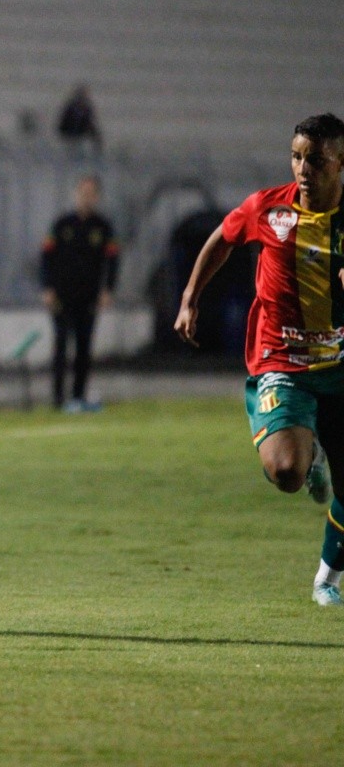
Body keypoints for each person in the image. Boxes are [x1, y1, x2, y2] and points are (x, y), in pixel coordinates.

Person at [174, 112, 344, 607]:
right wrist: (190, 298)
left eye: (315, 159)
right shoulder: (268, 210)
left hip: (338, 363)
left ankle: (326, 580)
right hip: (282, 360)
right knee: (286, 471)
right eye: (296, 157)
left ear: (340, 164)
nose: (303, 168)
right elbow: (222, 239)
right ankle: (308, 456)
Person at [40, 174, 119, 412]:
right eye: (83, 192)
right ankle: (57, 399)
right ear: (76, 194)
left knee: (84, 348)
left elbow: (113, 260)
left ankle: (78, 396)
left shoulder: (102, 227)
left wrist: (108, 290)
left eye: (91, 193)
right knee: (61, 345)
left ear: (97, 197)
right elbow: (46, 258)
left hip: (89, 296)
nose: (86, 197)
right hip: (62, 296)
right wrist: (47, 288)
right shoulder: (62, 224)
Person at [57, 84, 102, 156]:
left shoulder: (87, 109)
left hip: (81, 134)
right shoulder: (70, 108)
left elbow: (91, 122)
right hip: (69, 135)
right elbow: (63, 123)